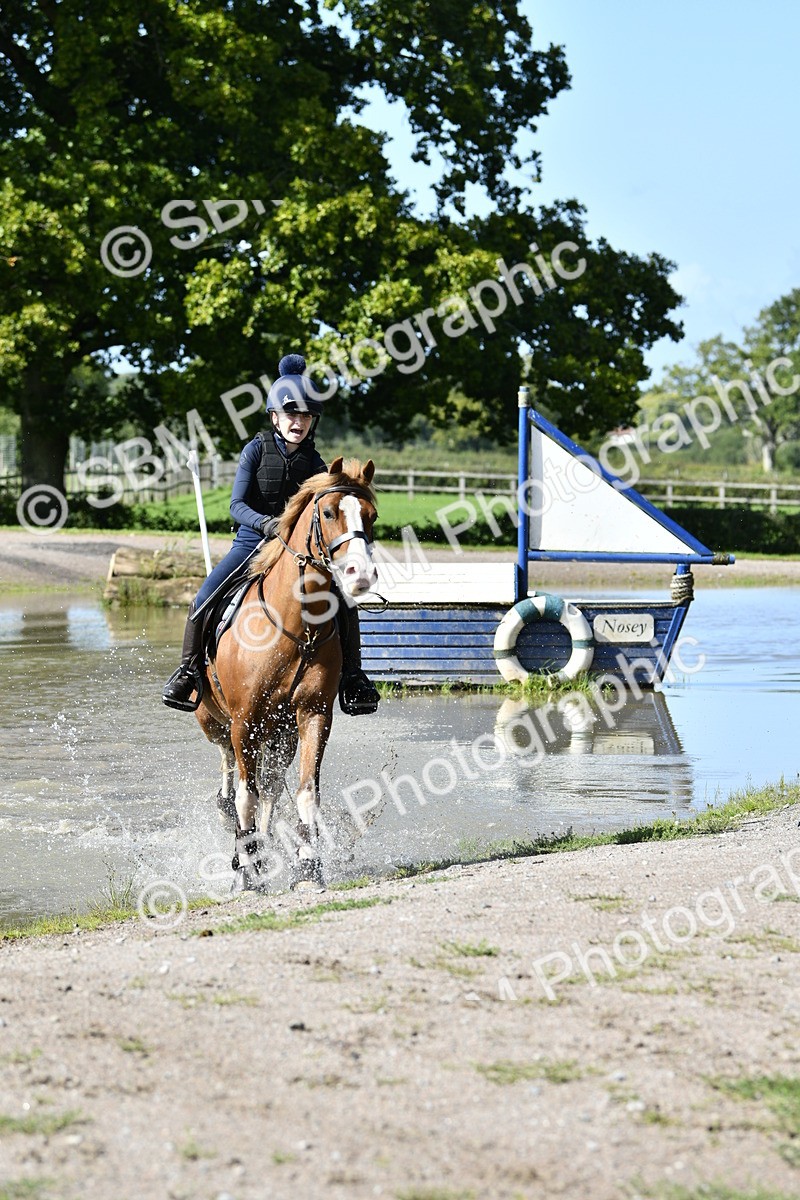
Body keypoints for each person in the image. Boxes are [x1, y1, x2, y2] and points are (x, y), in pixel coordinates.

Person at [161, 353, 379, 715]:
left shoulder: (316, 464)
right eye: (291, 415)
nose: (299, 422)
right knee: (204, 596)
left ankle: (353, 677)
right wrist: (267, 525)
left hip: (297, 552)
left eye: (306, 416)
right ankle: (188, 672)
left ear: (313, 421)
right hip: (251, 543)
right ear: (275, 417)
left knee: (345, 601)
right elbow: (236, 505)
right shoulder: (256, 449)